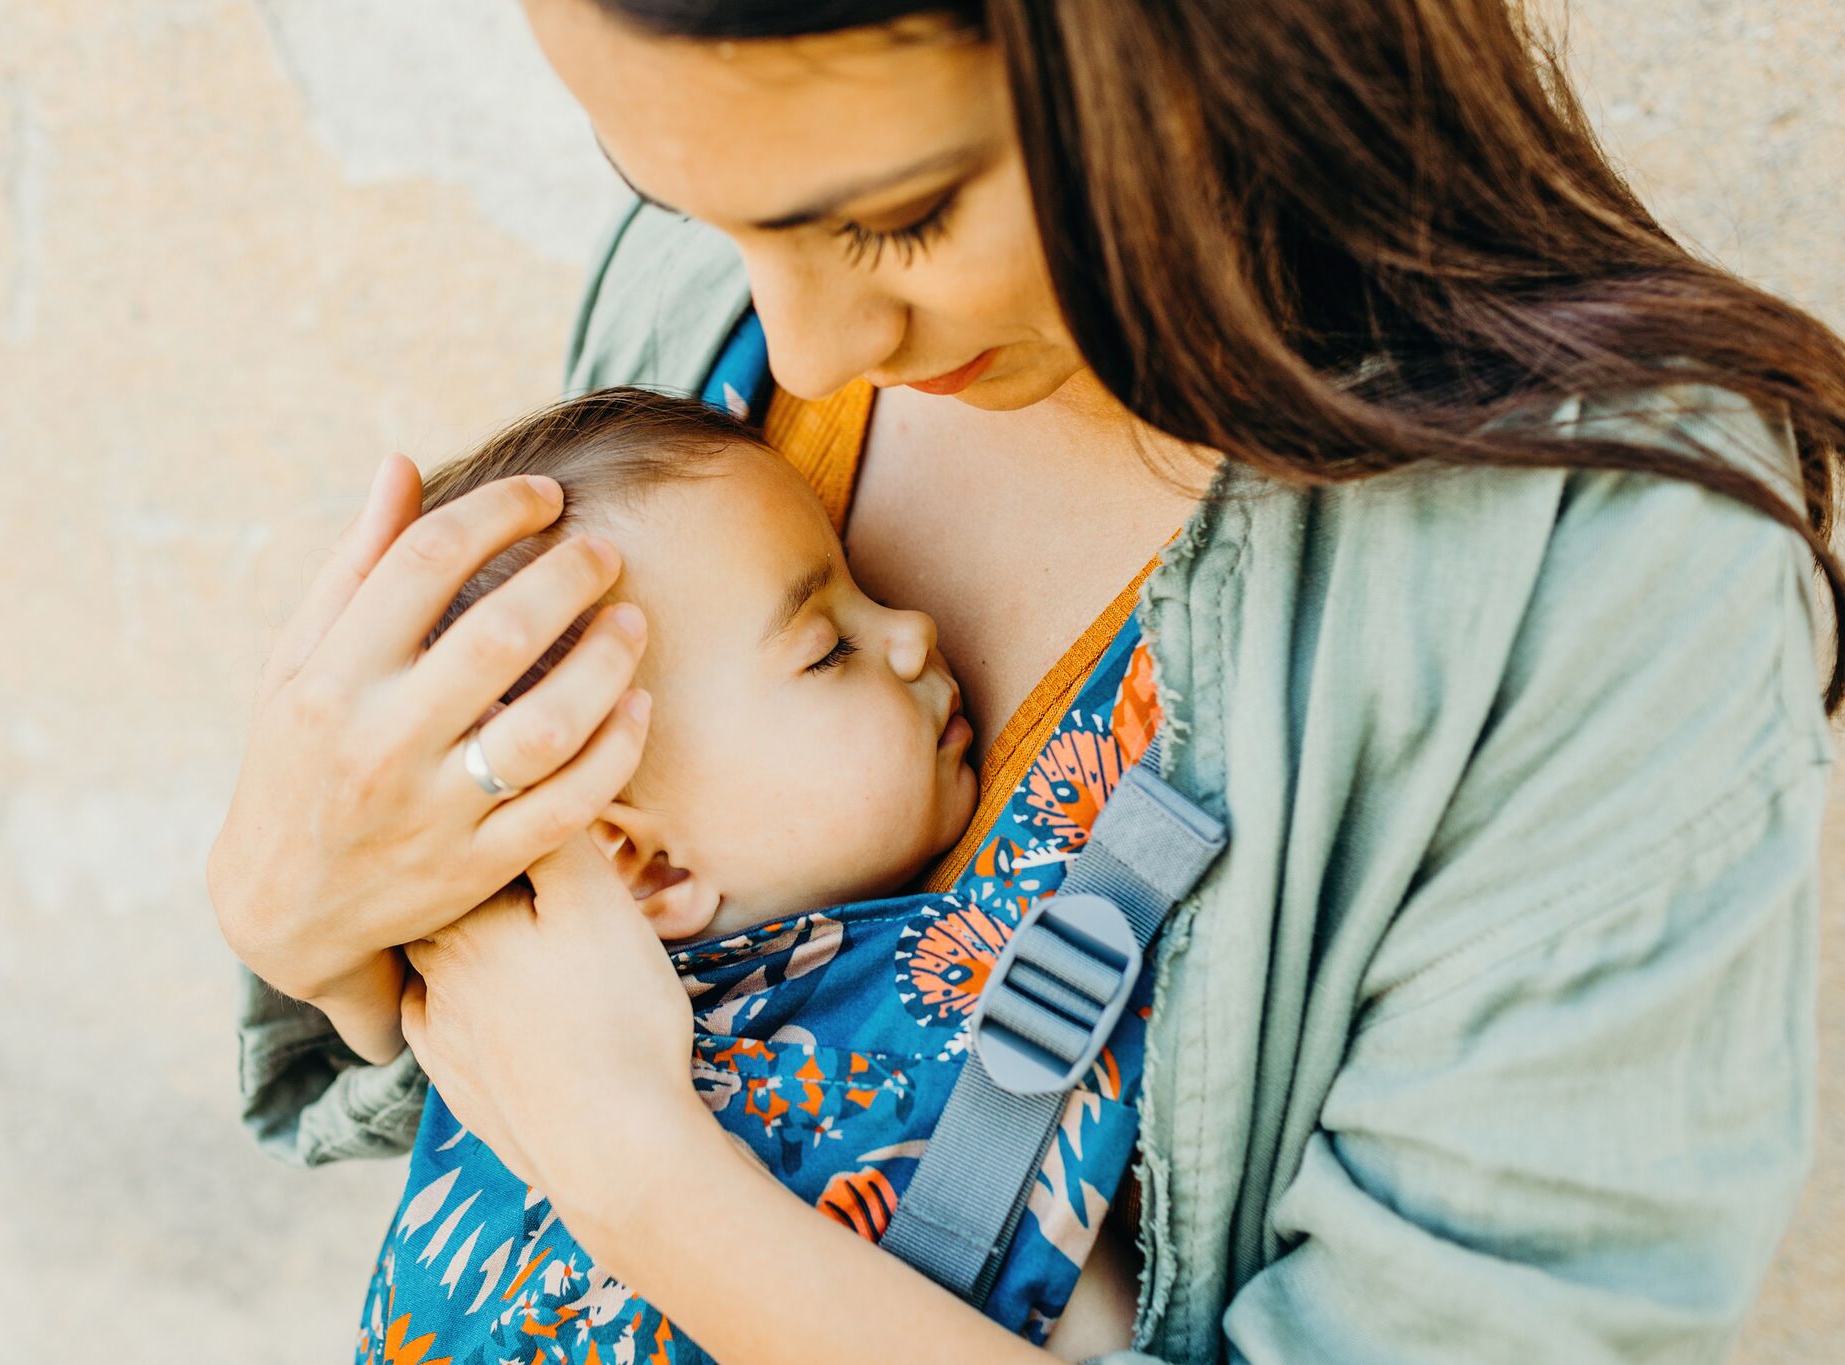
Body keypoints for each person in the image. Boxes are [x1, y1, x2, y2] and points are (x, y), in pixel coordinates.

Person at [211, 1, 1845, 1360]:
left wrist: (644, 1181)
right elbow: (508, 1064)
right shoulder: (705, 325)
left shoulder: (1592, 567)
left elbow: (582, 1119)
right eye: (685, 196)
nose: (800, 351)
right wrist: (303, 916)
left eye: (895, 219)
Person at [351, 387, 1160, 1363]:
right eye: (825, 650)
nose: (910, 630)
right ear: (643, 863)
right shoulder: (503, 1026)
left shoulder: (1000, 1039)